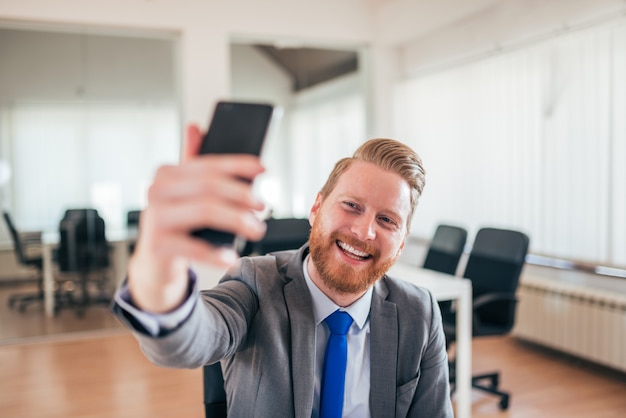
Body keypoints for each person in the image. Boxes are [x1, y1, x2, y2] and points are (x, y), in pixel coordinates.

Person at [112, 124, 453, 417]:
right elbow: (187, 340)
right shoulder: (254, 283)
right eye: (351, 206)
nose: (365, 232)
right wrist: (159, 272)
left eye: (387, 220)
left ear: (402, 242)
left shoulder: (418, 313)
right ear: (317, 208)